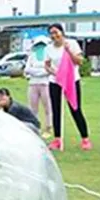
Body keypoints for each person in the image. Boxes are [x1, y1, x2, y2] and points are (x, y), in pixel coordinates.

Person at [44, 23, 92, 151]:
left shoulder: (72, 43)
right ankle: (57, 139)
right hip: (55, 81)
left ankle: (85, 138)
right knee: (56, 110)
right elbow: (47, 65)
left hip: (71, 80)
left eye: (56, 32)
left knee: (75, 108)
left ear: (62, 32)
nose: (54, 35)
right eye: (52, 33)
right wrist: (54, 72)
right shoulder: (48, 48)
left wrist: (68, 50)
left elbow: (79, 61)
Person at [24, 37, 53, 139]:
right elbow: (27, 69)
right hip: (33, 84)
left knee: (48, 108)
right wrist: (40, 71)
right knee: (33, 108)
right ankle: (35, 127)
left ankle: (48, 127)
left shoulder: (48, 57)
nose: (40, 47)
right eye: (38, 45)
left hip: (45, 84)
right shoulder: (31, 56)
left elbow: (49, 70)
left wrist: (36, 71)